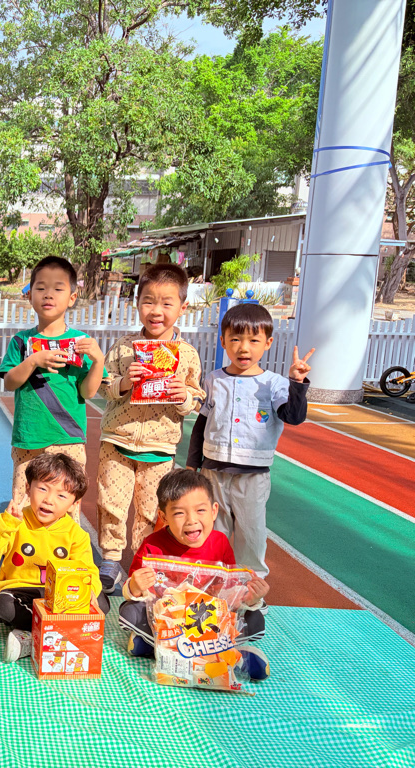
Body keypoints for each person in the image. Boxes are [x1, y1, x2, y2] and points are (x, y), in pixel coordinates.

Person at [95, 263, 204, 595]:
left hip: (160, 447)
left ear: (182, 307)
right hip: (117, 440)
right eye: (148, 301)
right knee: (111, 503)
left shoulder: (187, 355)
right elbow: (102, 385)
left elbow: (197, 398)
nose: (156, 311)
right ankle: (110, 560)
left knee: (149, 511)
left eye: (167, 303)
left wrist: (184, 397)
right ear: (137, 303)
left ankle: (143, 564)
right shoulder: (124, 347)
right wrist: (123, 382)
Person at [187, 303, 313, 577]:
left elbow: (293, 417)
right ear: (223, 341)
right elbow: (202, 424)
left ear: (268, 343)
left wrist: (297, 384)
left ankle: (250, 588)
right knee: (212, 532)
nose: (244, 348)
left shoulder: (275, 384)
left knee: (251, 535)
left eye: (253, 341)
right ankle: (211, 583)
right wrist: (192, 464)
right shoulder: (214, 380)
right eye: (235, 339)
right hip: (213, 472)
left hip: (253, 477)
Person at [118, 469, 271, 679]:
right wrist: (134, 586)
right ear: (163, 517)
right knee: (130, 612)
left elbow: (230, 591)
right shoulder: (152, 545)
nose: (191, 520)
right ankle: (225, 657)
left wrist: (251, 598)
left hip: (209, 623)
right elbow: (133, 592)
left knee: (255, 620)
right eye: (179, 513)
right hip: (169, 622)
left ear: (214, 511)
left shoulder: (220, 543)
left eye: (200, 510)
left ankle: (154, 647)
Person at [0, 256, 105, 519]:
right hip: (28, 438)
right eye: (41, 287)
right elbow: (9, 382)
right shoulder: (21, 341)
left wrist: (98, 360)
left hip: (69, 439)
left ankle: (64, 548)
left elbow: (88, 392)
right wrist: (33, 361)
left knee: (66, 510)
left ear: (72, 297)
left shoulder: (81, 342)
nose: (48, 294)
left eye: (58, 288)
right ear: (29, 295)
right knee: (24, 506)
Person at [0, 453, 107, 663]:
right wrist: (5, 524)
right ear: (28, 488)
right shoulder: (14, 520)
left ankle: (33, 635)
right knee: (4, 606)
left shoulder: (76, 535)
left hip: (60, 595)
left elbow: (87, 570)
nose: (49, 500)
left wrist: (89, 591)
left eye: (61, 496)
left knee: (101, 603)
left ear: (74, 504)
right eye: (43, 489)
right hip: (20, 590)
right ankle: (61, 631)